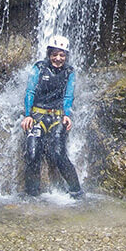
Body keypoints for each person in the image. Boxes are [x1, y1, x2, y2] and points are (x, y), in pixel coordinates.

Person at [20, 34, 83, 198]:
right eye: (55, 54)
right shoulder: (39, 68)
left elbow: (69, 96)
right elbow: (30, 92)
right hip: (37, 117)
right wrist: (27, 115)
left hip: (57, 117)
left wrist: (67, 114)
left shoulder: (69, 72)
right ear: (49, 54)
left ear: (66, 56)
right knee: (33, 154)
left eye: (62, 55)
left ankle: (76, 191)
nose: (58, 58)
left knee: (58, 153)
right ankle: (31, 194)